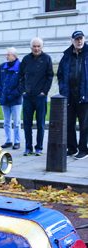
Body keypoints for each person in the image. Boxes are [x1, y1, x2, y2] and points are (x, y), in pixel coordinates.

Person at [19, 37, 54, 156]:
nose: (36, 48)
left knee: (41, 124)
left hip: (40, 97)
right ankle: (28, 147)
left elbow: (50, 76)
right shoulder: (26, 59)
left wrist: (44, 92)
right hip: (28, 97)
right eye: (34, 46)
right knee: (27, 124)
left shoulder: (47, 59)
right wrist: (23, 90)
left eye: (38, 46)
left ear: (42, 47)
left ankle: (39, 147)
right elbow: (20, 76)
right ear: (31, 47)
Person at [57, 30, 88, 160]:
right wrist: (63, 90)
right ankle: (72, 148)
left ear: (84, 39)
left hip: (84, 95)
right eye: (76, 39)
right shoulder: (66, 56)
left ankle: (83, 150)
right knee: (69, 123)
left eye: (81, 39)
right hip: (69, 96)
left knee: (84, 125)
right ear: (72, 41)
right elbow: (60, 75)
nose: (79, 41)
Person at [0, 47, 22, 150]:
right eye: (6, 54)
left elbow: (21, 84)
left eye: (8, 54)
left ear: (14, 56)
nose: (6, 56)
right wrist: (0, 93)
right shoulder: (2, 67)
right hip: (4, 99)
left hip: (16, 100)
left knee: (16, 122)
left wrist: (12, 95)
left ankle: (17, 141)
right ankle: (8, 141)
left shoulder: (20, 67)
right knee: (6, 122)